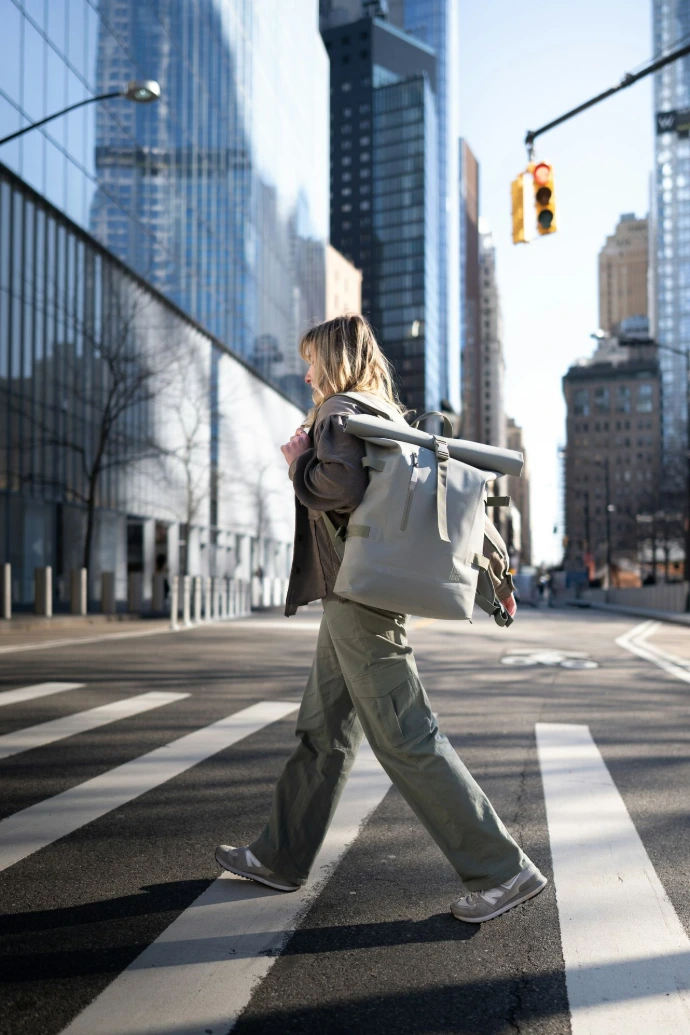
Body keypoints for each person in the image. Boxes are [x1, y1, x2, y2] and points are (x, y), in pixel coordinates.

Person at [216, 314, 546, 923]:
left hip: (360, 597)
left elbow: (335, 487)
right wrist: (495, 574)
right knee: (324, 732)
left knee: (405, 735)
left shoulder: (338, 411)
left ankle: (503, 869)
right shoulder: (387, 413)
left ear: (337, 359)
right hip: (358, 592)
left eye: (313, 358)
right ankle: (280, 856)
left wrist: (297, 460)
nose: (307, 371)